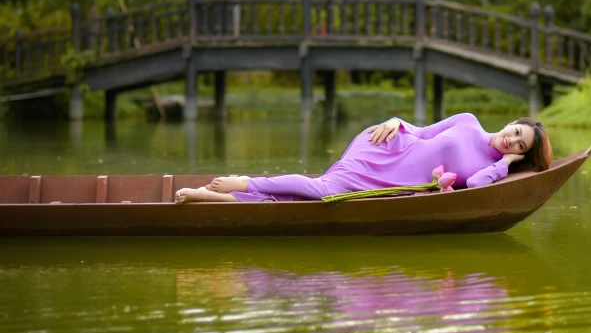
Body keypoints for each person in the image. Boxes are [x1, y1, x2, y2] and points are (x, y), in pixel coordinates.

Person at [174, 113, 553, 204]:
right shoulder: (469, 122)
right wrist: (395, 120)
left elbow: (470, 186)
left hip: (393, 186)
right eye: (516, 133)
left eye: (519, 147)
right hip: (387, 146)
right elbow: (420, 132)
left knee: (322, 199)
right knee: (324, 191)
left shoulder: (492, 169)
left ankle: (218, 197)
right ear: (512, 122)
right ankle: (246, 183)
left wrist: (504, 166)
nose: (510, 142)